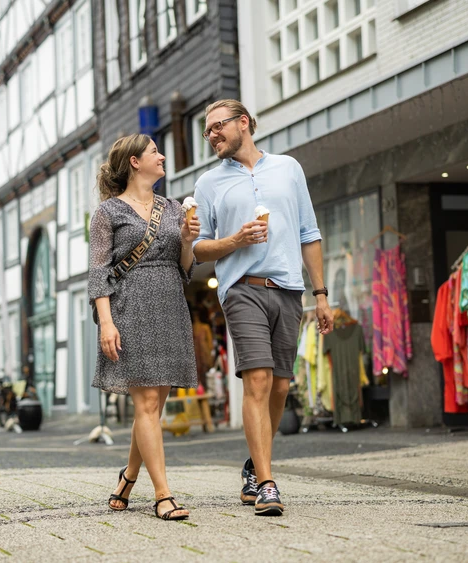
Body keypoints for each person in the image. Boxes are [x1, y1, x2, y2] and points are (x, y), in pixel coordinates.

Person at [192, 99, 334, 516]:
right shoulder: (208, 183)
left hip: (289, 289)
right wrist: (235, 241)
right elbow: (198, 250)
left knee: (281, 386)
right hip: (242, 290)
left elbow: (309, 233)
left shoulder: (288, 168)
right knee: (257, 380)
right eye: (207, 131)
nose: (212, 135)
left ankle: (255, 467)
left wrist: (321, 294)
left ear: (244, 123)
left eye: (218, 126)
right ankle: (268, 484)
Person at [89, 133, 200, 521]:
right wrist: (106, 322)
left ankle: (127, 478)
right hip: (129, 308)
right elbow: (99, 272)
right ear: (135, 162)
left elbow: (186, 267)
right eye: (155, 151)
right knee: (147, 404)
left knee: (153, 407)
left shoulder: (172, 208)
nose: (163, 155)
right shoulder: (108, 213)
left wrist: (187, 240)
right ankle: (163, 495)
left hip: (169, 304)